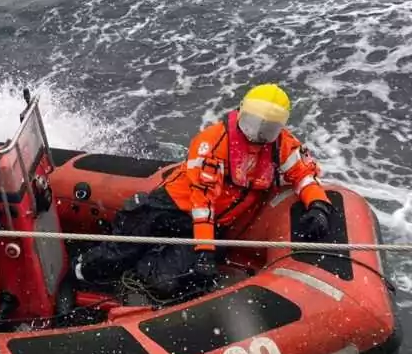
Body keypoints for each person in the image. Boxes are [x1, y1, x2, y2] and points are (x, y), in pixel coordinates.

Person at [74, 84, 333, 295]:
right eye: (255, 123)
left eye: (269, 127)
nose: (259, 132)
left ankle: (146, 265)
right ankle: (81, 271)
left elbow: (304, 176)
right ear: (242, 112)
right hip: (174, 207)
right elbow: (203, 203)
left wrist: (318, 206)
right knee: (119, 250)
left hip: (214, 224)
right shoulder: (213, 143)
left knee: (169, 282)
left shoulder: (282, 146)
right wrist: (205, 251)